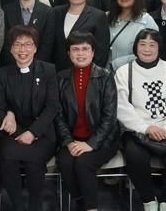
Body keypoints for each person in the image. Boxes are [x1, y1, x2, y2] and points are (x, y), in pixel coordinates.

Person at [116, 29, 166, 211]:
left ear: (159, 48)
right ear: (136, 47)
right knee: (135, 157)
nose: (147, 49)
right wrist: (145, 127)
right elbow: (121, 106)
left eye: (152, 44)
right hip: (137, 131)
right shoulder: (124, 72)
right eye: (142, 44)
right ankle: (148, 201)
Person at [0, 25, 59, 211]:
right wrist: (9, 114)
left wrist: (33, 132)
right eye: (17, 45)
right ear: (11, 48)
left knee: (33, 160)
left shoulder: (48, 70)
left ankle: (34, 204)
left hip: (42, 133)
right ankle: (18, 205)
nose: (23, 50)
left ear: (35, 47)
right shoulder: (4, 73)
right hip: (13, 132)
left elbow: (52, 106)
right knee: (6, 156)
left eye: (28, 44)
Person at [55, 31, 119, 211]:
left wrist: (91, 144)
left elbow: (110, 117)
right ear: (68, 53)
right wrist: (68, 142)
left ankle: (91, 208)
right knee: (66, 163)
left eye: (85, 49)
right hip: (72, 139)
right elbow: (58, 115)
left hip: (103, 140)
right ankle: (81, 199)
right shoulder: (61, 78)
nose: (80, 53)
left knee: (84, 163)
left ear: (93, 52)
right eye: (75, 49)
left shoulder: (106, 77)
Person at [52, 0, 111, 70]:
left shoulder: (98, 16)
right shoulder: (55, 13)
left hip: (85, 75)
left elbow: (101, 52)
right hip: (57, 74)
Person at [1, 0, 55, 65]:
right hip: (12, 68)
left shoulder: (48, 12)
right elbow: (5, 45)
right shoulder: (6, 11)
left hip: (39, 68)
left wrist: (33, 67)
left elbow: (47, 46)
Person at [106, 0, 157, 71]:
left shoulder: (146, 21)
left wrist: (117, 63)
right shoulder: (106, 17)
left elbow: (152, 52)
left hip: (132, 75)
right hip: (106, 77)